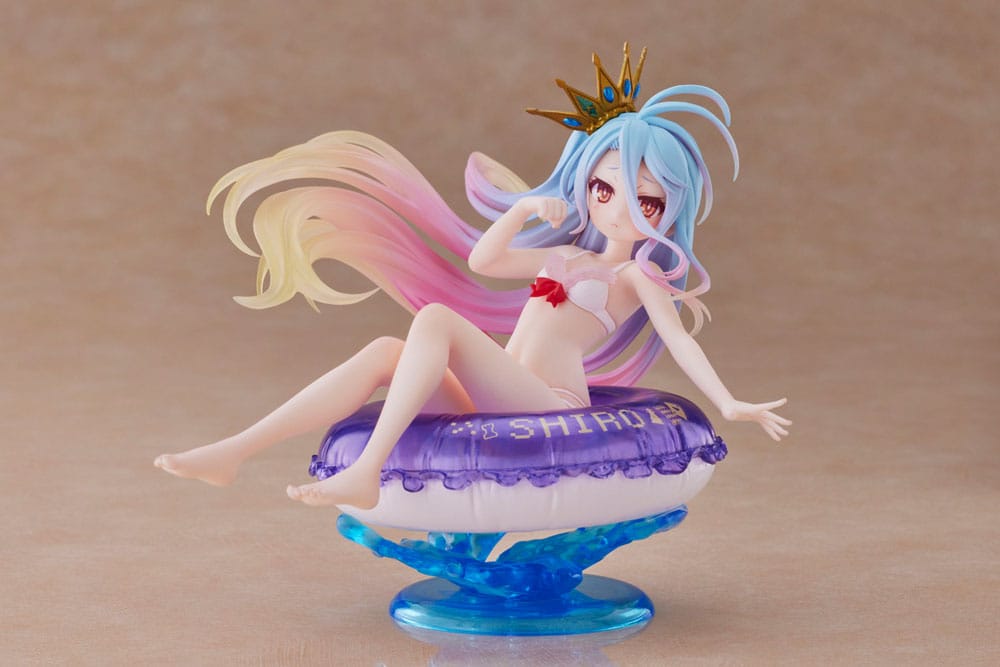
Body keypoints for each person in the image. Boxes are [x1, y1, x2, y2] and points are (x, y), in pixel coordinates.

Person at [154, 45, 790, 510]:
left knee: (435, 320)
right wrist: (520, 210)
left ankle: (368, 470)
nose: (619, 210)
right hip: (500, 389)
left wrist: (728, 402)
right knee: (384, 351)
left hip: (550, 404)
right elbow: (485, 262)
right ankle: (235, 451)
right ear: (585, 185)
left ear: (671, 210)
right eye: (604, 189)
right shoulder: (566, 254)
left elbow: (680, 340)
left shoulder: (635, 275)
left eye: (645, 201)